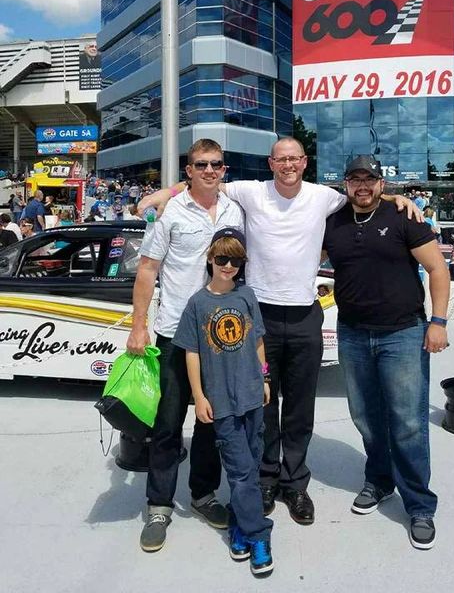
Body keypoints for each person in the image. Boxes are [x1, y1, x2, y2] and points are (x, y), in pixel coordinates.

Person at [139, 138, 422, 526]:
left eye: (294, 158)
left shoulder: (324, 197)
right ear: (270, 163)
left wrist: (395, 198)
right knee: (259, 405)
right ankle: (263, 479)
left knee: (300, 407)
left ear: (304, 162)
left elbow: (364, 196)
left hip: (304, 314)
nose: (288, 164)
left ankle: (294, 483)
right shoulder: (249, 193)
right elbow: (202, 185)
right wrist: (166, 191)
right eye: (281, 159)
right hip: (257, 316)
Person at [322, 155, 450, 550]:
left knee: (408, 421)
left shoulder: (403, 216)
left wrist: (438, 322)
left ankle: (419, 504)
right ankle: (379, 480)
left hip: (403, 333)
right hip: (354, 333)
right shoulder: (334, 222)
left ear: (380, 183)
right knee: (365, 415)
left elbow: (438, 269)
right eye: (355, 179)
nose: (362, 186)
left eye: (369, 179)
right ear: (345, 183)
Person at [126, 139, 245, 553]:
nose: (209, 170)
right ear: (188, 170)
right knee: (168, 423)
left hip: (220, 336)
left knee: (211, 422)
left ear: (223, 169)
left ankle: (203, 495)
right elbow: (147, 270)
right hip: (175, 332)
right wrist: (139, 326)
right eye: (201, 165)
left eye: (216, 164)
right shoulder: (171, 213)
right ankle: (159, 505)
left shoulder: (235, 209)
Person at [173, 229, 274, 576]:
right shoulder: (198, 304)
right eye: (222, 259)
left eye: (235, 260)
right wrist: (199, 396)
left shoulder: (247, 297)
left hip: (252, 396)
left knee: (251, 465)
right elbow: (192, 354)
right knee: (241, 472)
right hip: (221, 401)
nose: (228, 266)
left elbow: (258, 341)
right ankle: (259, 535)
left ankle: (238, 525)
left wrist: (264, 377)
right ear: (210, 259)